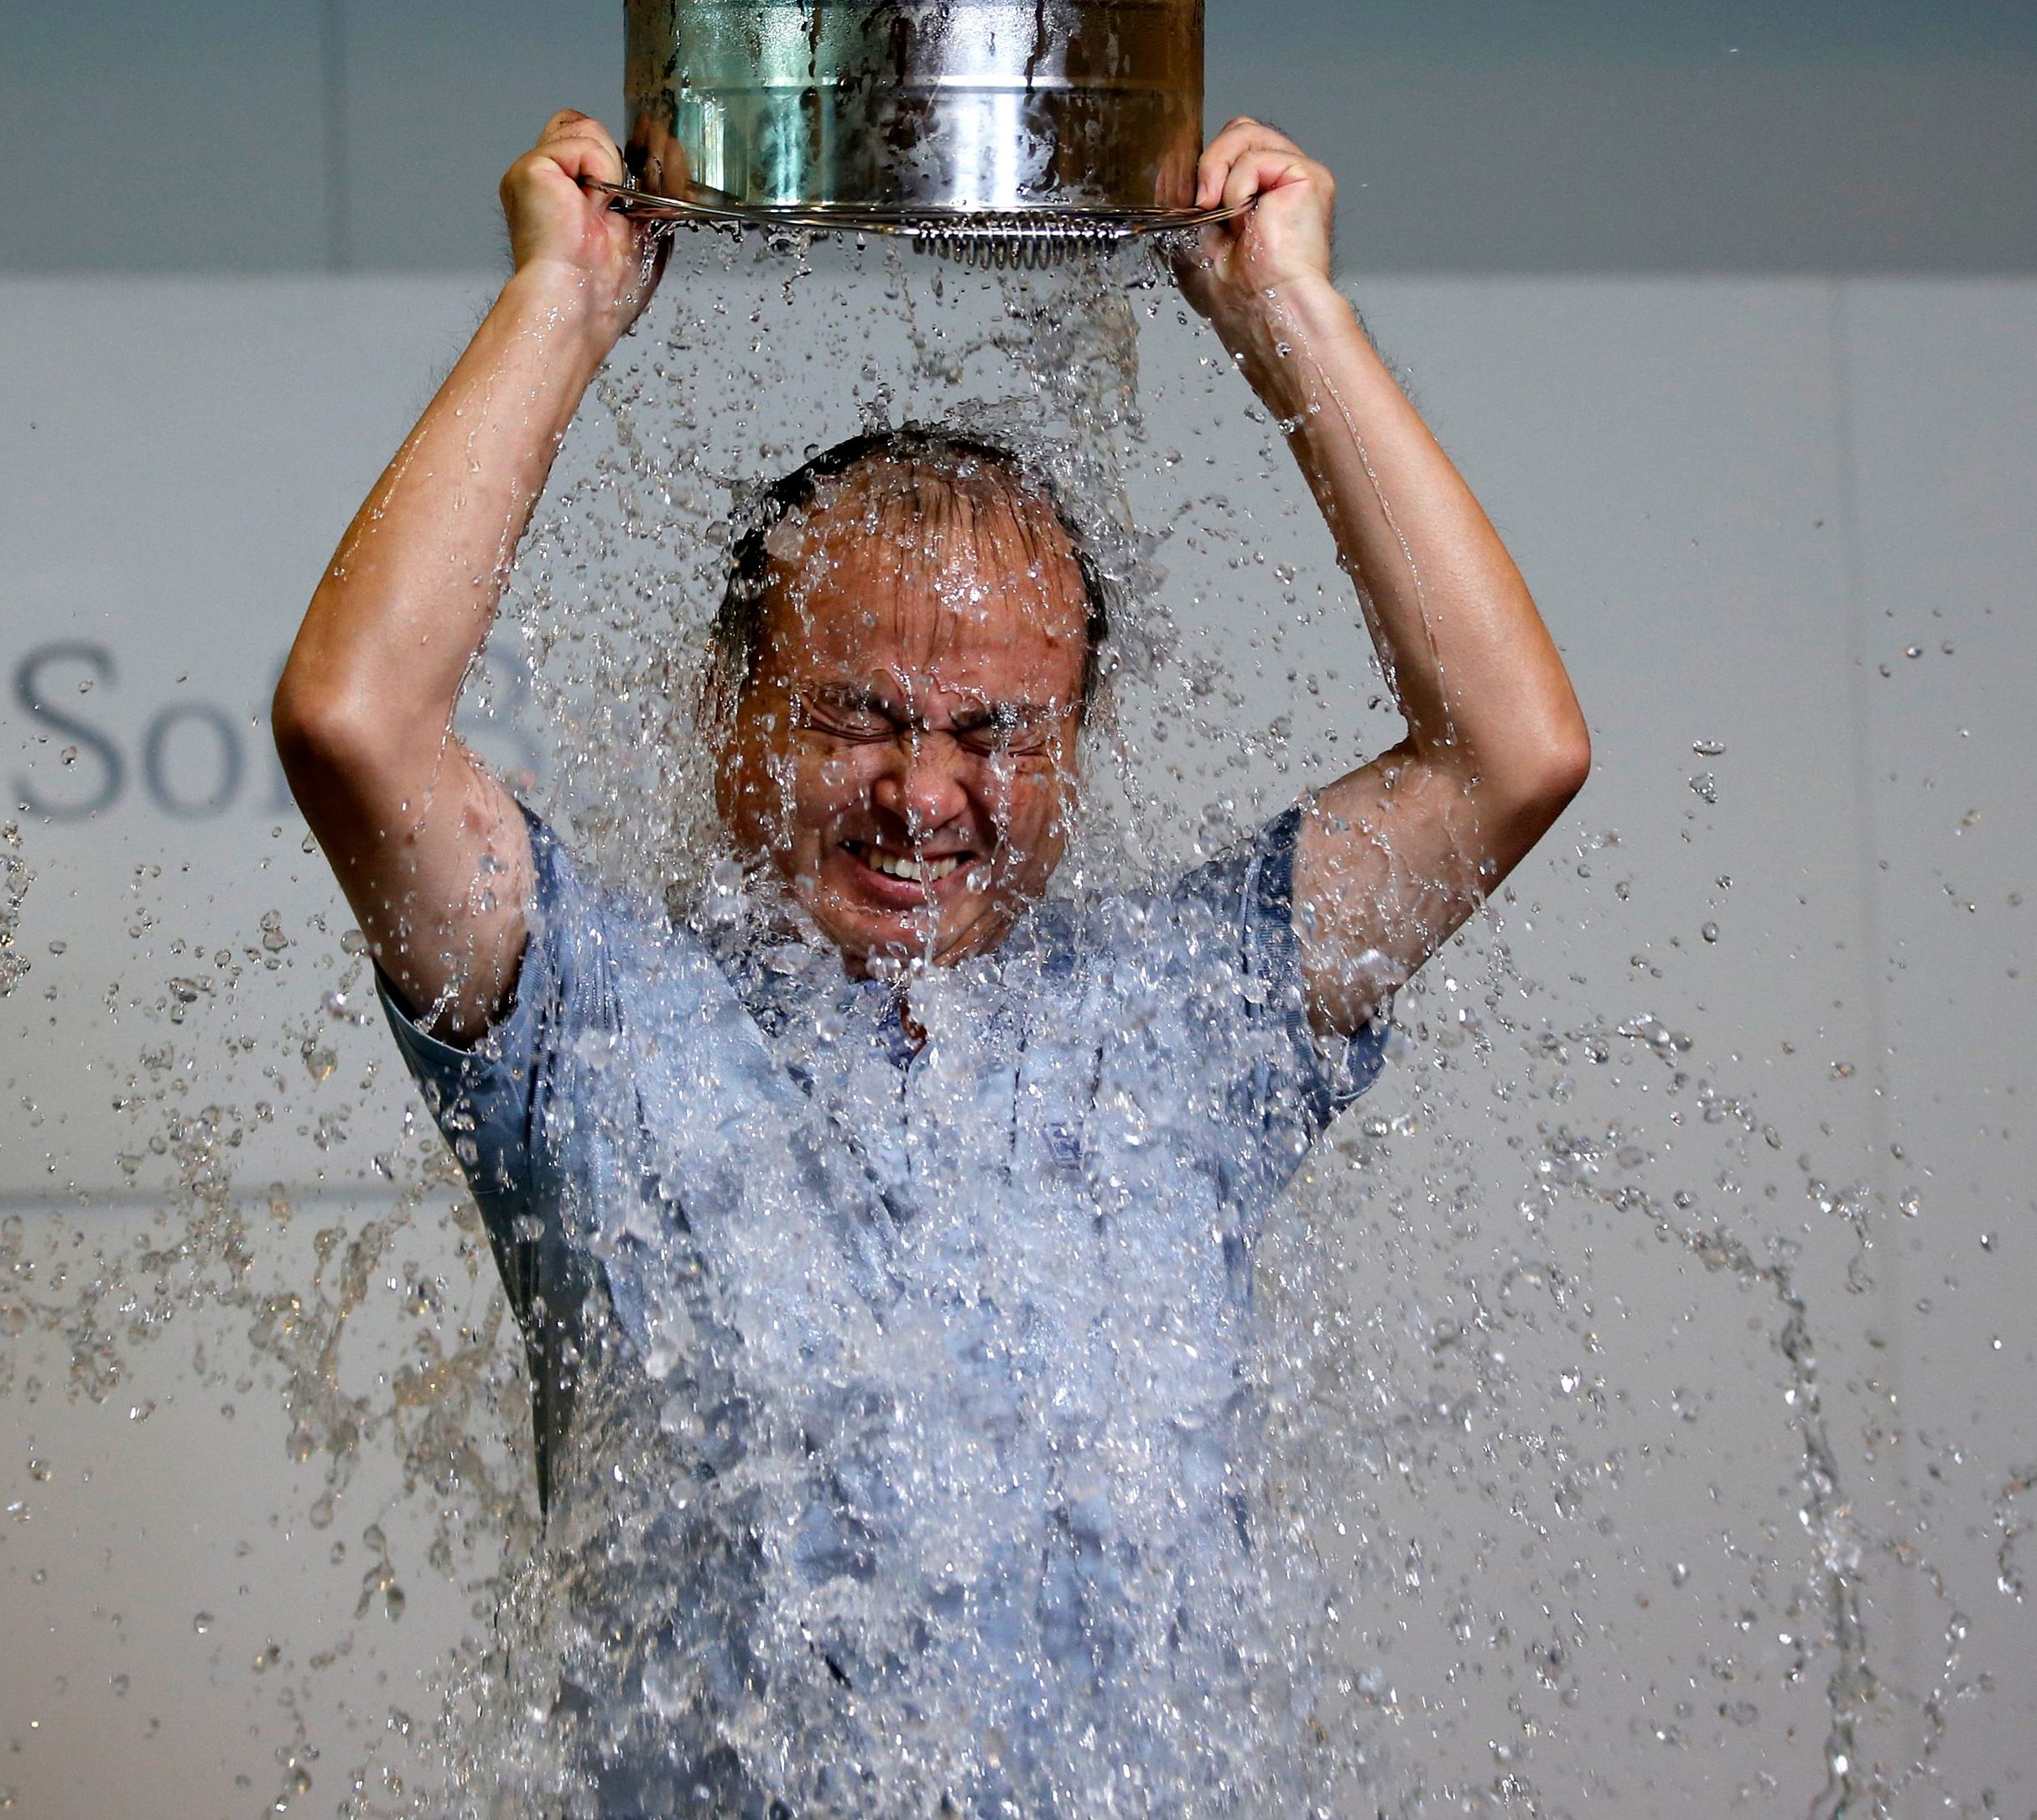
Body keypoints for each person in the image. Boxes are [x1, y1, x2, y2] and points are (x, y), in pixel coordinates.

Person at [275, 109, 1587, 1816]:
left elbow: (1506, 753)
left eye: (995, 731)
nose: (921, 792)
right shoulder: (591, 1023)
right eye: (852, 716)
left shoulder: (1180, 1023)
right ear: (724, 709)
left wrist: (1285, 318)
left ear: (1076, 741)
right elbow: (353, 722)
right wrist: (563, 306)